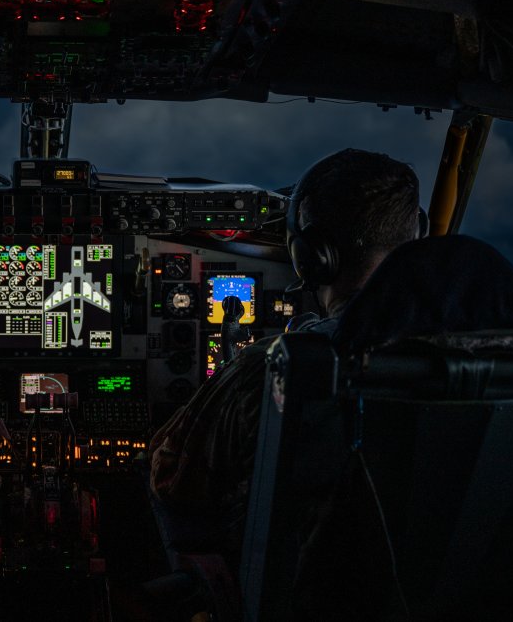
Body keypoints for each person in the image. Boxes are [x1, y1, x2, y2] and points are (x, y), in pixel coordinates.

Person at [149, 148, 423, 567]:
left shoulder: (270, 368)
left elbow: (171, 477)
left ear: (311, 257)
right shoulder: (507, 356)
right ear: (418, 233)